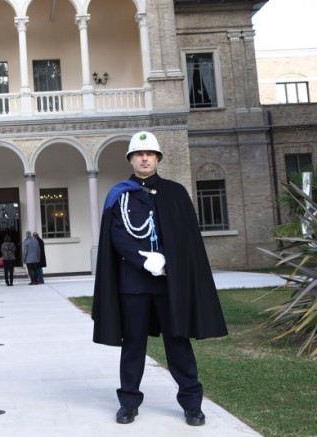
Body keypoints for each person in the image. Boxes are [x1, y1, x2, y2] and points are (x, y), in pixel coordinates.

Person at [92, 131, 227, 427]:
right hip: (134, 284)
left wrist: (165, 258)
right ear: (130, 158)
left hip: (170, 283)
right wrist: (144, 261)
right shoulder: (119, 194)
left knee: (178, 343)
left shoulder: (175, 192)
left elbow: (184, 236)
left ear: (157, 158)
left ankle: (192, 403)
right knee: (134, 345)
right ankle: (128, 401)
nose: (144, 158)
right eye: (139, 154)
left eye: (150, 154)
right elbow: (116, 235)